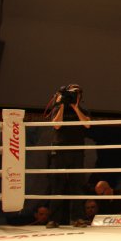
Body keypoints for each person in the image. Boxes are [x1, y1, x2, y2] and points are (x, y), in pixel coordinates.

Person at [46, 84, 91, 228]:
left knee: (77, 185)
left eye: (77, 93)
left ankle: (77, 218)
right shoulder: (58, 107)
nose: (74, 95)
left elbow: (87, 124)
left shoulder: (82, 108)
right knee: (57, 185)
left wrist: (75, 108)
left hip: (77, 150)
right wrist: (62, 105)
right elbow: (56, 125)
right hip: (60, 149)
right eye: (72, 93)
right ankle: (54, 219)